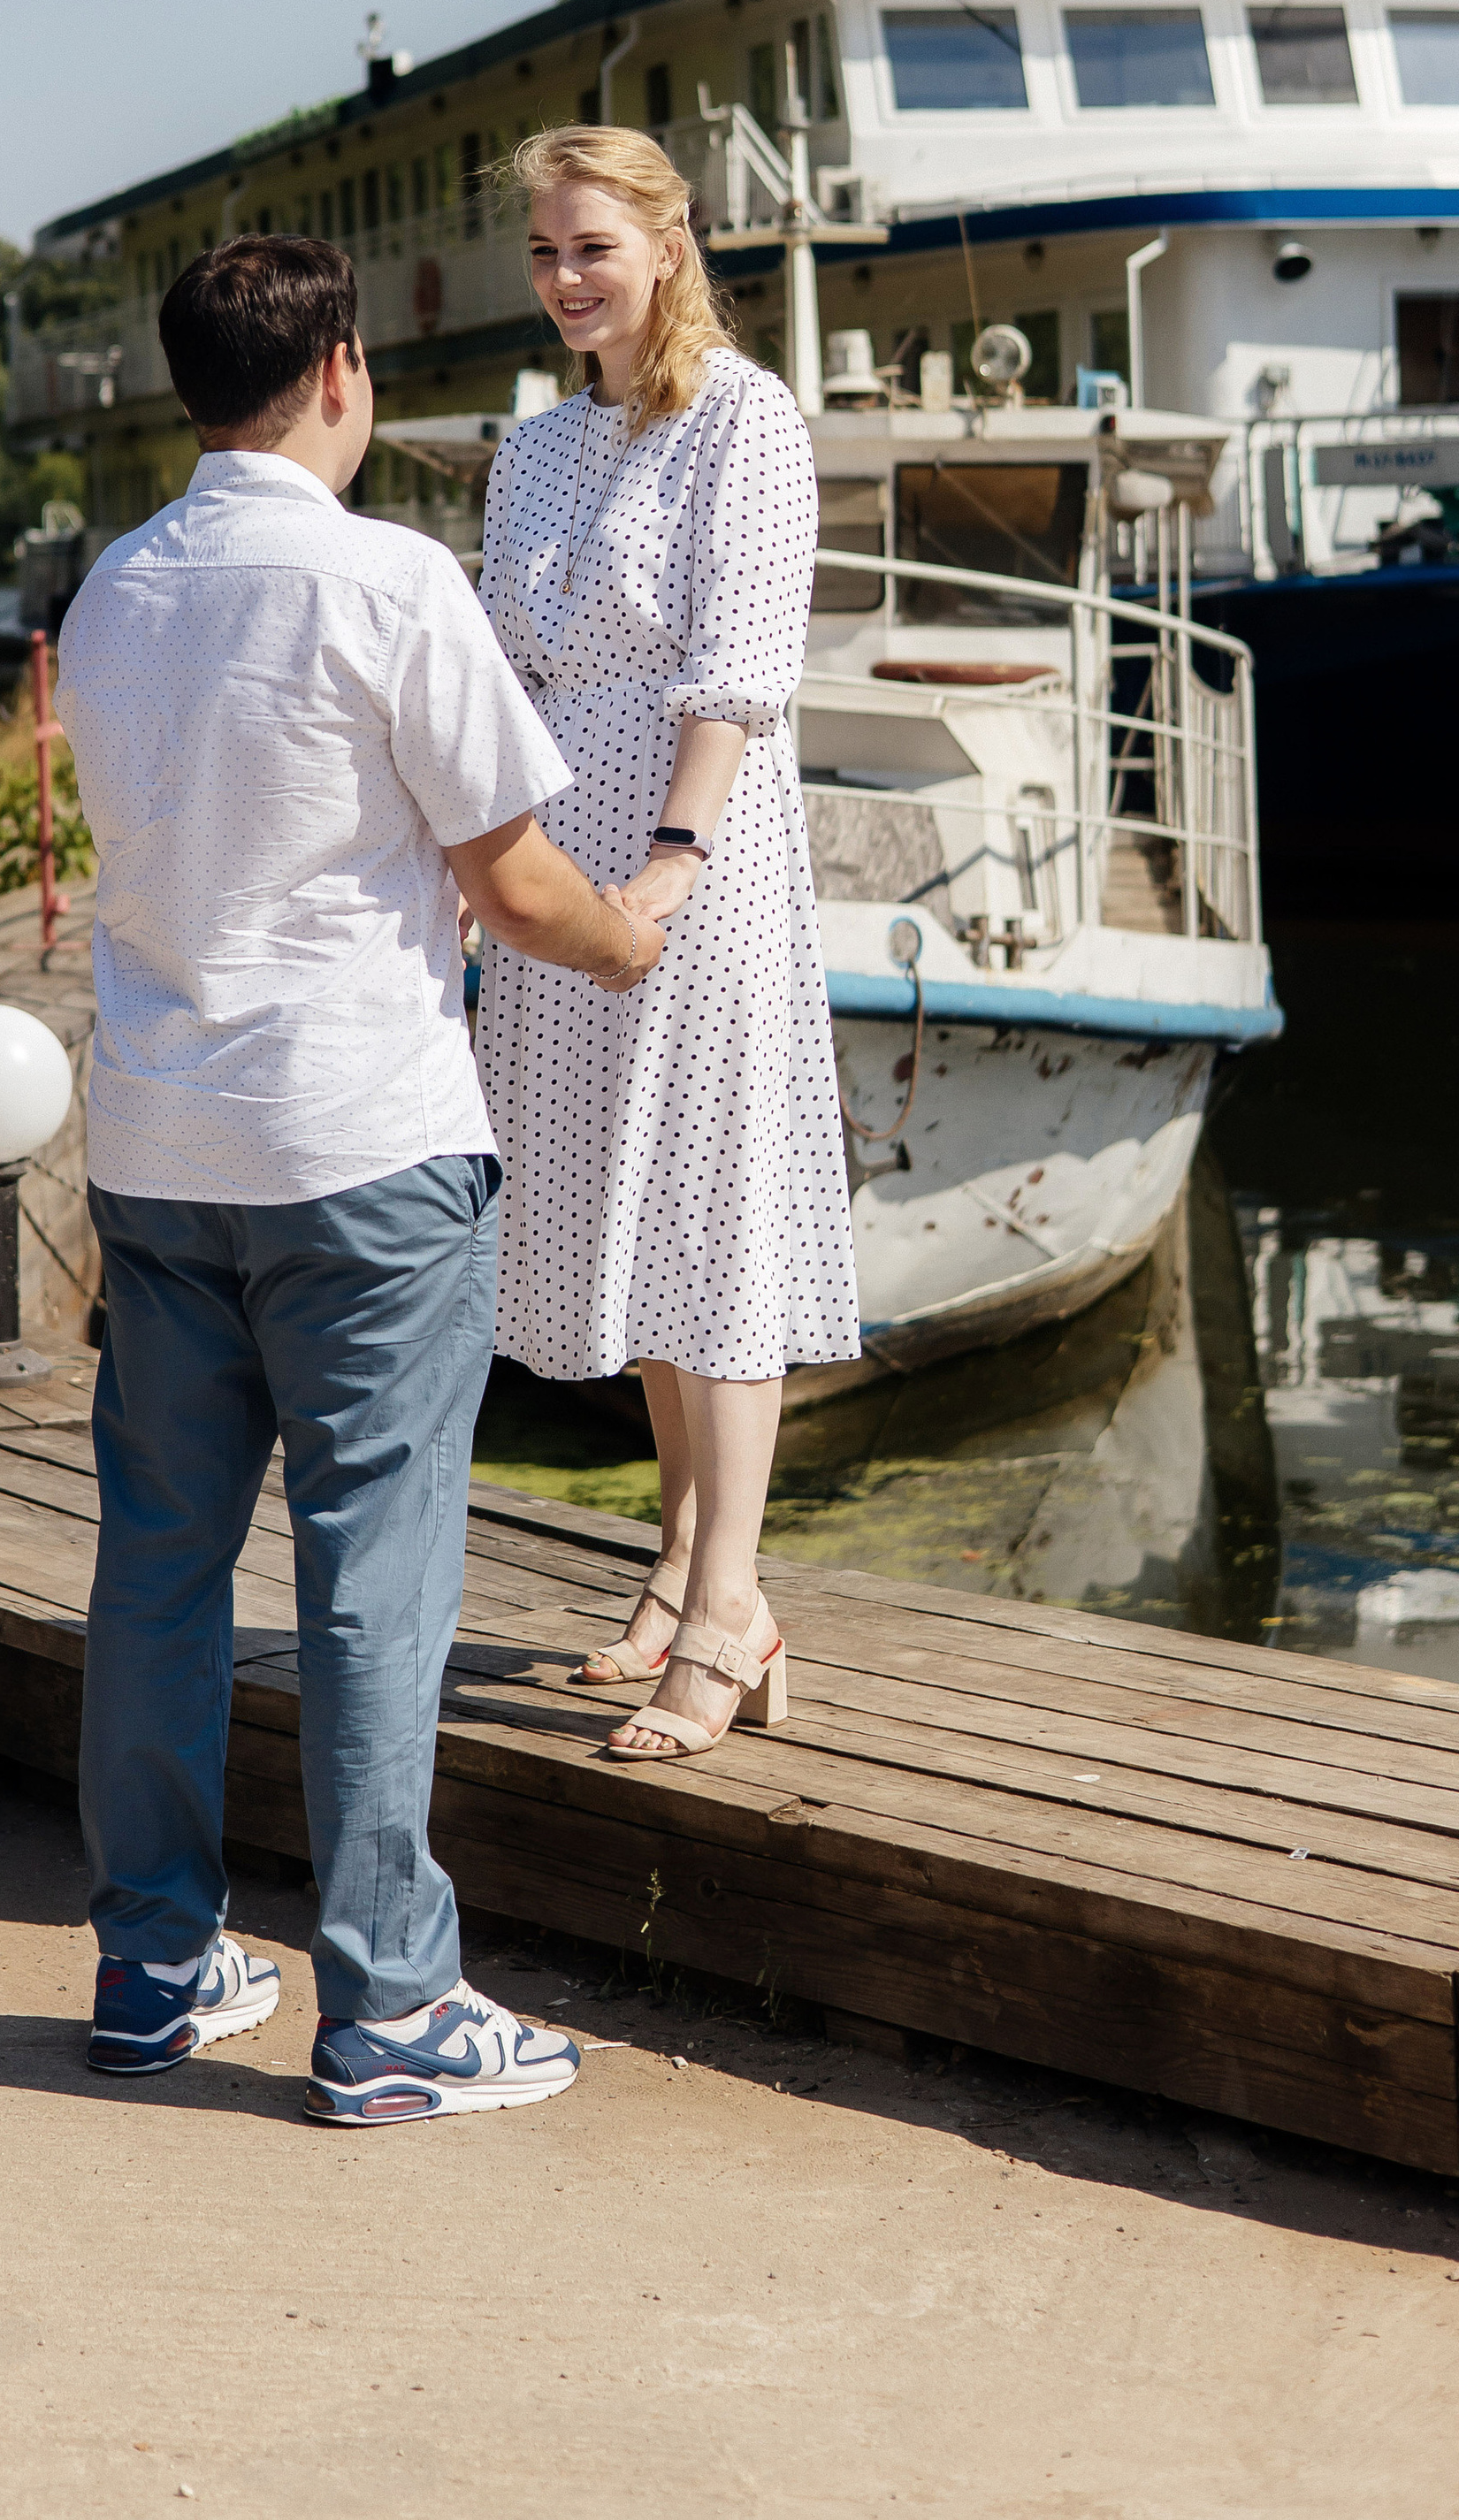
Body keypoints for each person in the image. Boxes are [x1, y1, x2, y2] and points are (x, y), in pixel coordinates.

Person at [56, 231, 667, 2123]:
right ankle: (390, 2004)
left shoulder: (111, 592)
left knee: (156, 1568)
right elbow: (514, 877)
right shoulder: (387, 580)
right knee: (369, 1573)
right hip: (358, 1153)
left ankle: (155, 1965)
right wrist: (636, 934)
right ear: (335, 370)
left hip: (158, 1146)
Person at [475, 126, 861, 1764]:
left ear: (668, 242)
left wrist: (675, 862)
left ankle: (733, 1611)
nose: (568, 281)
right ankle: (675, 1568)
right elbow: (498, 662)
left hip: (694, 849)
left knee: (713, 1217)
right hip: (564, 853)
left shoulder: (744, 420)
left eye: (593, 250)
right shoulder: (538, 450)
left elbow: (739, 664)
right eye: (548, 254)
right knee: (617, 1206)